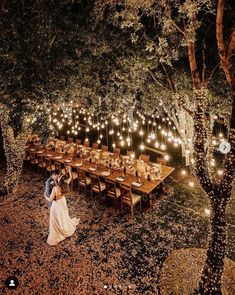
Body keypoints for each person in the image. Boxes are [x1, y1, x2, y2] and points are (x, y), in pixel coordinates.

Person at [44, 181, 80, 245]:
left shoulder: (55, 188)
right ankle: (64, 227)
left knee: (55, 219)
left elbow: (50, 200)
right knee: (63, 216)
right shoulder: (65, 186)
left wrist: (45, 195)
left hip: (56, 205)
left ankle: (57, 232)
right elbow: (69, 178)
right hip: (62, 201)